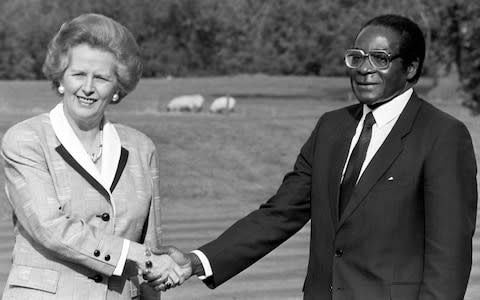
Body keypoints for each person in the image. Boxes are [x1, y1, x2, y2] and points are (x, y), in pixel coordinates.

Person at [149, 14, 478, 299]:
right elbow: (280, 213)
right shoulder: (331, 127)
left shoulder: (442, 136)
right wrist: (195, 262)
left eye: (380, 58)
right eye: (357, 57)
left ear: (411, 67)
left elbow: (449, 257)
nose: (364, 69)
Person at [1, 13, 182, 299]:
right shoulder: (25, 140)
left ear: (117, 88)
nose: (87, 87)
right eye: (78, 74)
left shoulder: (141, 147)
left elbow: (151, 243)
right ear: (61, 78)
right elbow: (50, 228)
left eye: (100, 78)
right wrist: (136, 255)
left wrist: (152, 272)